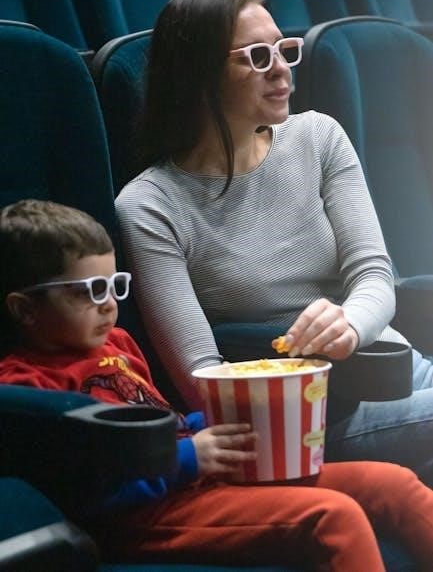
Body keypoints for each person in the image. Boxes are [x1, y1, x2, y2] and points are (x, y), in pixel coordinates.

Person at [115, 0, 433, 486]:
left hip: (391, 365)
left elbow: (374, 274)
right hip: (306, 417)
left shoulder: (319, 137)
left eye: (284, 50)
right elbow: (202, 379)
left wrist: (349, 326)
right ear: (199, 76)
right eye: (258, 57)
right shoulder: (150, 205)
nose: (282, 69)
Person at [4, 200, 433, 570]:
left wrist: (205, 426)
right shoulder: (22, 388)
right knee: (333, 516)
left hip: (196, 481)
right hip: (145, 516)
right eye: (89, 291)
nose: (109, 305)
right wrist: (188, 457)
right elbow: (82, 488)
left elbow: (159, 418)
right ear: (25, 309)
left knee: (392, 483)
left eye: (115, 286)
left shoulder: (116, 342)